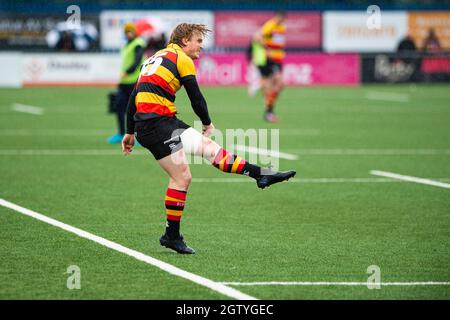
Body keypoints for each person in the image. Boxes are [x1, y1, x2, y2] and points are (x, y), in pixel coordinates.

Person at [122, 23, 296, 254]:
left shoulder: (155, 57)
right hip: (157, 125)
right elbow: (196, 97)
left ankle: (261, 175)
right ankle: (171, 235)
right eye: (198, 41)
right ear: (185, 41)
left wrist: (130, 131)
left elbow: (134, 97)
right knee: (182, 177)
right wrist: (206, 121)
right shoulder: (181, 58)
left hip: (160, 122)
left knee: (209, 149)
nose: (201, 46)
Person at [107, 22, 146, 144]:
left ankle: (137, 136)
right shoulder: (126, 45)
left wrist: (128, 72)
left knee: (135, 110)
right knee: (119, 107)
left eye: (130, 31)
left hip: (134, 82)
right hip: (124, 82)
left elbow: (137, 61)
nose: (128, 34)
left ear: (134, 32)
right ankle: (120, 133)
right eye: (126, 32)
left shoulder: (138, 44)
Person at [253, 11, 287, 123]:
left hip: (278, 59)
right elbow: (257, 36)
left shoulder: (282, 28)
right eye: (280, 18)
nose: (281, 21)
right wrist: (267, 48)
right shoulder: (270, 25)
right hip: (271, 60)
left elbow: (279, 43)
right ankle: (269, 111)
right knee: (279, 83)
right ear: (277, 16)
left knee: (274, 86)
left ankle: (269, 111)